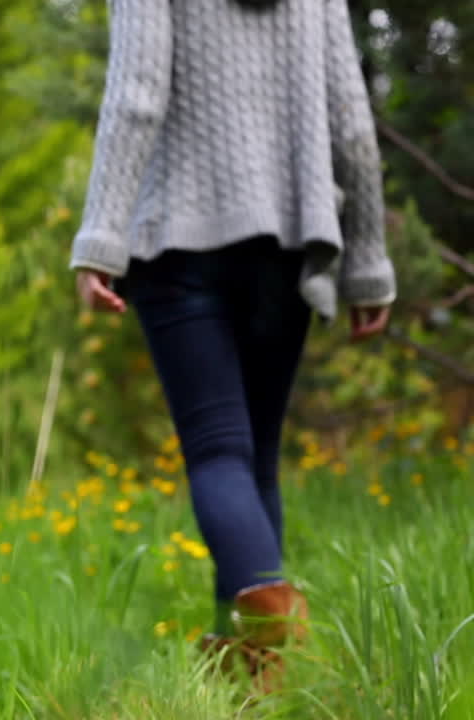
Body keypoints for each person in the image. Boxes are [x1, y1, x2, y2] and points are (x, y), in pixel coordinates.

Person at [69, 0, 396, 691]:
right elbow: (352, 119)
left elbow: (136, 92)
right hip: (285, 240)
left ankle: (278, 634)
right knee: (257, 460)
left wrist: (100, 235)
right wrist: (368, 258)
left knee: (219, 453)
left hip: (179, 241)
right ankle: (253, 679)